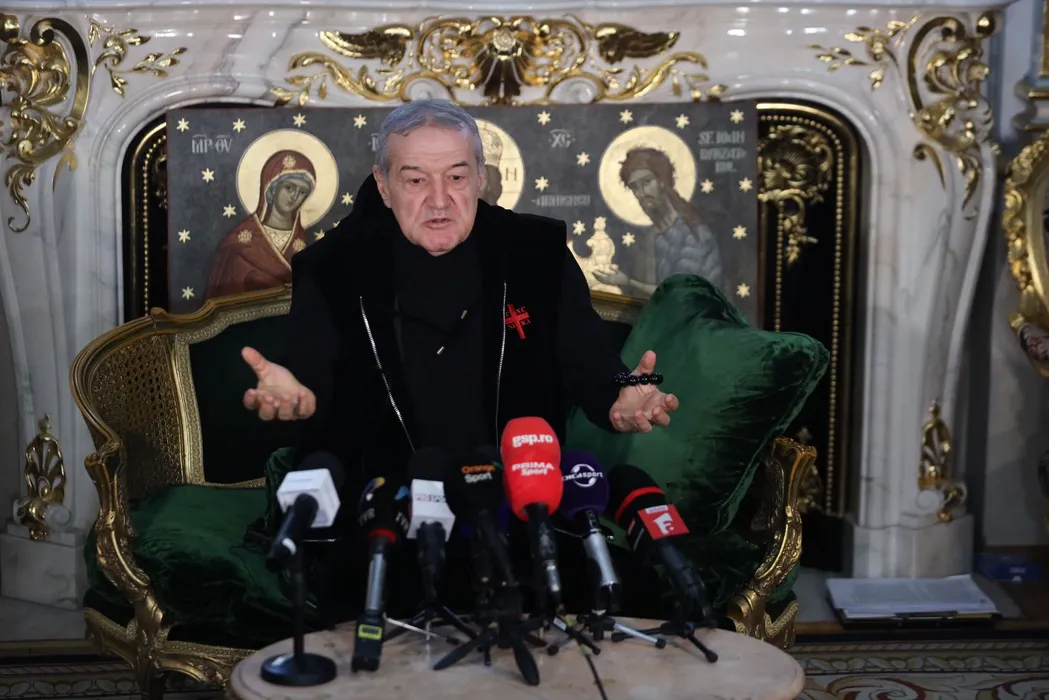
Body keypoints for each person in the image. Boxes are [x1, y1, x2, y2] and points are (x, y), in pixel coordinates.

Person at [240, 99, 680, 621]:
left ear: (480, 178)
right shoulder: (333, 265)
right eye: (415, 180)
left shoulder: (534, 252)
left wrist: (623, 390)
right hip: (388, 518)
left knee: (634, 604)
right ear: (383, 185)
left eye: (456, 176)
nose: (439, 199)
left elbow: (591, 357)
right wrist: (297, 395)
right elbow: (307, 374)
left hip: (518, 513)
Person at [594, 147, 722, 298]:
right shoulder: (651, 238)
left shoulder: (693, 234)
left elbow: (681, 296)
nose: (642, 193)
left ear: (662, 181)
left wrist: (628, 282)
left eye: (647, 182)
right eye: (634, 187)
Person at [204, 149, 315, 301]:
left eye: (302, 192)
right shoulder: (236, 244)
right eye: (289, 187)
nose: (294, 196)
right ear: (272, 188)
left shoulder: (307, 244)